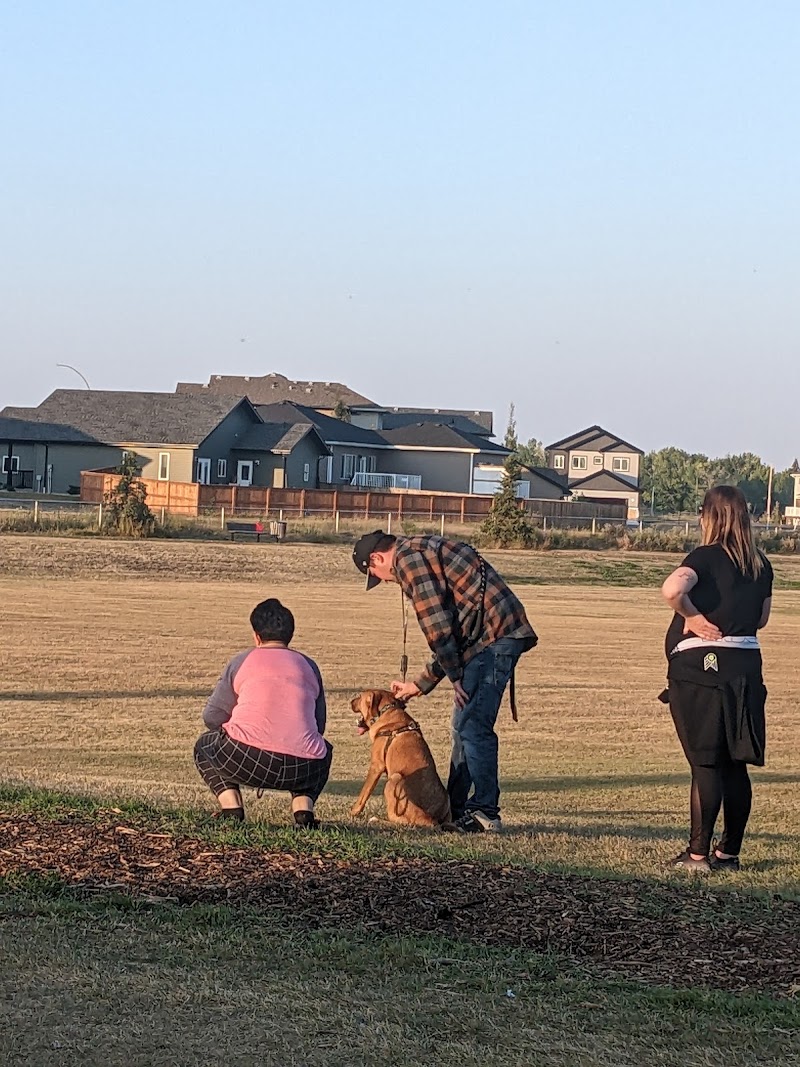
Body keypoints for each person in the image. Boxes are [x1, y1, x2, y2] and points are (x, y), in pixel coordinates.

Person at [352, 530, 537, 833]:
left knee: (473, 725)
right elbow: (453, 624)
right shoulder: (420, 548)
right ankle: (457, 810)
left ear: (377, 558)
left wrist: (454, 675)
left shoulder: (408, 561)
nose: (385, 582)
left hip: (494, 637)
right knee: (462, 725)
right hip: (490, 636)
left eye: (377, 575)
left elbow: (438, 626)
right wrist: (421, 683)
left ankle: (486, 813)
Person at [660, 486, 772, 873]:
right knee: (735, 763)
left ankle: (697, 855)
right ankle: (728, 853)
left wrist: (692, 616)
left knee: (705, 763)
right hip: (746, 668)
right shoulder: (760, 563)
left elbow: (672, 588)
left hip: (701, 671)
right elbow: (761, 619)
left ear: (709, 516)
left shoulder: (704, 557)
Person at [194, 598, 332, 828]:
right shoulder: (309, 666)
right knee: (322, 749)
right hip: (304, 768)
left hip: (244, 758)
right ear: (290, 635)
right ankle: (303, 812)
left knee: (204, 746)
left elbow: (212, 716)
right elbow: (319, 726)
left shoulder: (241, 661)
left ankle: (231, 807)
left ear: (256, 636)